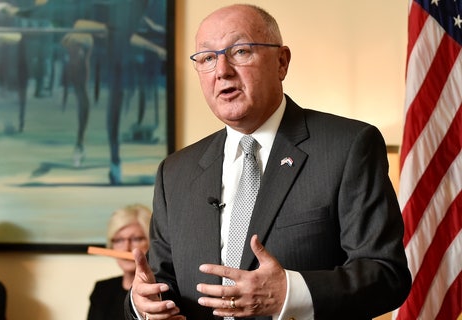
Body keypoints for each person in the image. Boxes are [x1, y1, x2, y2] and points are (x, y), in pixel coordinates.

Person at [126, 4, 411, 320]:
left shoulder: (347, 146)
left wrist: (289, 292)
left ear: (281, 62)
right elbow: (158, 283)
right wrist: (141, 305)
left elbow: (386, 275)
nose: (222, 70)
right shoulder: (175, 172)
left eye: (241, 51)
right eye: (207, 58)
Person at [87, 204, 152, 320]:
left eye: (136, 239)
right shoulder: (102, 289)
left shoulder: (162, 290)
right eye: (119, 240)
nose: (126, 248)